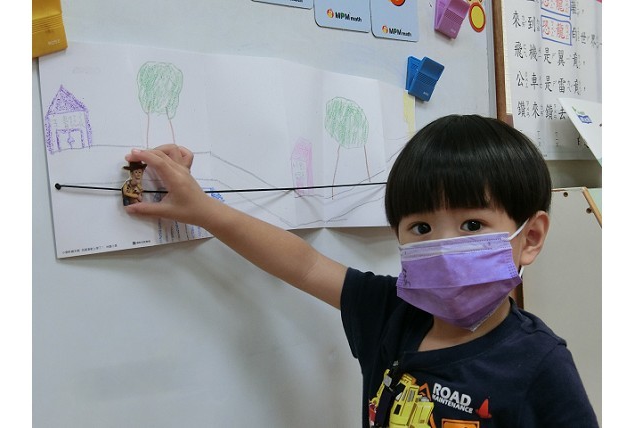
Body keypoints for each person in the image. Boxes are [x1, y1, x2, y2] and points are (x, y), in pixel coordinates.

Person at [124, 114, 599, 427]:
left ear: (529, 238)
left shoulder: (540, 364)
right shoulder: (390, 312)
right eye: (420, 228)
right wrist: (203, 209)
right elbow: (304, 264)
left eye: (472, 224)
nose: (442, 246)